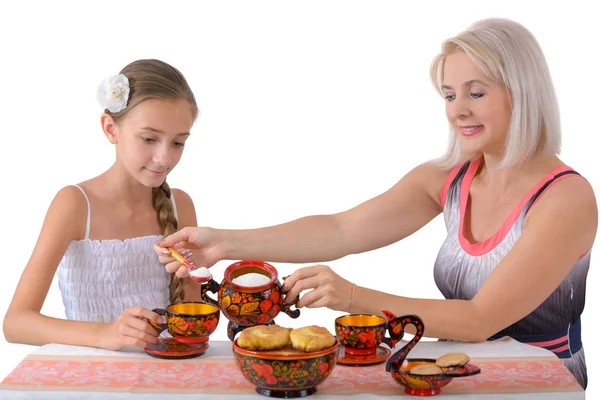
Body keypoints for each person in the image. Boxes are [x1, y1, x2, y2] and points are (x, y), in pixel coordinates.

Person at [155, 19, 596, 388]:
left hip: (540, 383)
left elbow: (481, 319)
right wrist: (222, 243)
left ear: (523, 92)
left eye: (475, 93)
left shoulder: (565, 198)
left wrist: (352, 297)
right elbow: (341, 229)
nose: (457, 110)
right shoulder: (448, 177)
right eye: (448, 94)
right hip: (454, 375)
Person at [3, 59, 201, 351]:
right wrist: (104, 334)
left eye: (177, 143)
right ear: (111, 128)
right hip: (92, 380)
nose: (164, 158)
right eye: (149, 138)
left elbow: (194, 318)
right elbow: (16, 323)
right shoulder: (75, 205)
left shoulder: (180, 204)